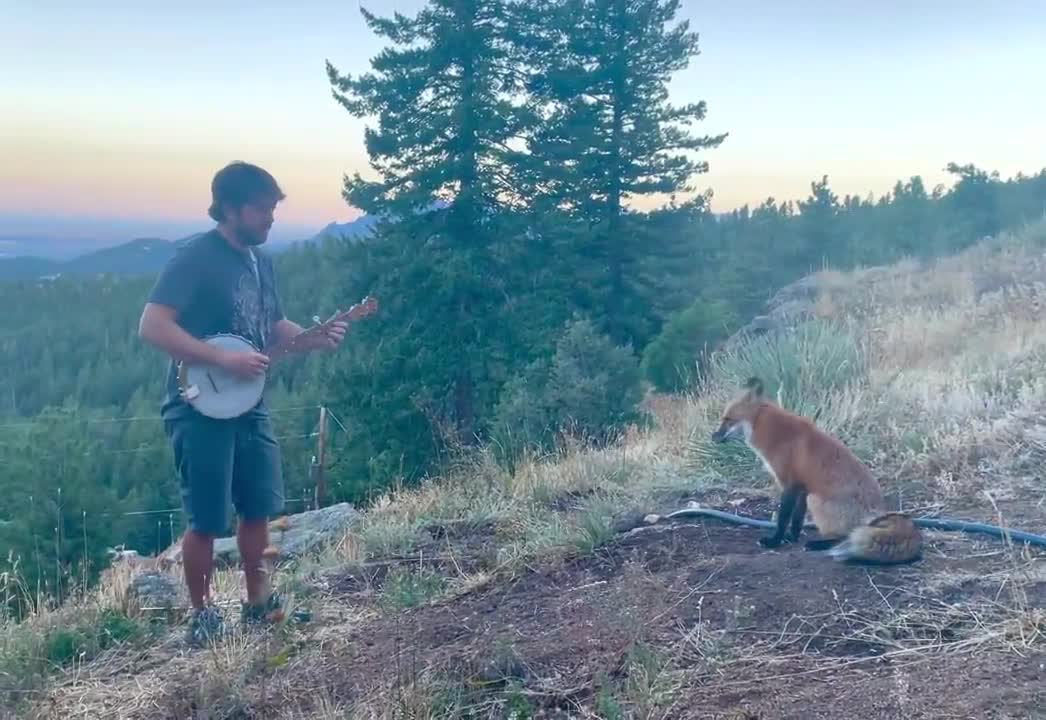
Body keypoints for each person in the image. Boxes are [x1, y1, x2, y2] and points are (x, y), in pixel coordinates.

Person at [138, 161, 348, 646]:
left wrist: (314, 339)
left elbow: (273, 329)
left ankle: (257, 605)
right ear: (230, 208)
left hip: (249, 404)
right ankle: (203, 615)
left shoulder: (261, 262)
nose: (270, 218)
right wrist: (220, 360)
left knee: (258, 508)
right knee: (208, 519)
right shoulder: (196, 257)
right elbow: (153, 326)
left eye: (273, 209)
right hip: (198, 406)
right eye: (261, 209)